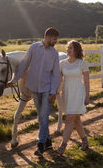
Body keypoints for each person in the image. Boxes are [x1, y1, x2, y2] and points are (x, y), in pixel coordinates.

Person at [7, 27, 60, 156]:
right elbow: (23, 65)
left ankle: (40, 145)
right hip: (34, 89)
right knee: (41, 117)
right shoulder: (33, 48)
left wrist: (53, 92)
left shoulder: (54, 53)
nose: (55, 42)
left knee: (44, 116)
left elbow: (56, 74)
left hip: (47, 88)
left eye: (56, 40)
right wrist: (14, 80)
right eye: (54, 39)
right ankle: (47, 141)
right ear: (47, 37)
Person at [57, 40, 90, 156]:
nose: (68, 50)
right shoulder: (62, 63)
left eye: (70, 48)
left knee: (70, 119)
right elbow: (59, 80)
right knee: (76, 119)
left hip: (78, 92)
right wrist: (54, 92)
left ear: (76, 50)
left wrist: (87, 96)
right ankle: (85, 140)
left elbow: (86, 81)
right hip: (67, 93)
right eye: (67, 47)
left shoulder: (82, 63)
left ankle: (63, 145)